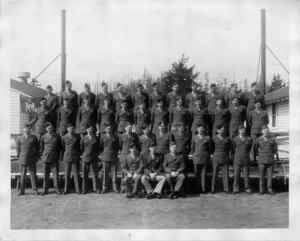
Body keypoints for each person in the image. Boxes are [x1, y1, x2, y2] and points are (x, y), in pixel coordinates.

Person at [254, 125, 279, 195]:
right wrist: (259, 155)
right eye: (264, 131)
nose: (265, 132)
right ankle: (261, 189)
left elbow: (275, 150)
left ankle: (269, 189)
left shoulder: (272, 139)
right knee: (261, 175)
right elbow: (255, 149)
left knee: (270, 175)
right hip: (261, 159)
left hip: (270, 159)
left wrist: (270, 154)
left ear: (268, 131)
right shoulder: (258, 139)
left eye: (267, 131)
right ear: (262, 131)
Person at [16, 124, 40, 196]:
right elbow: (18, 150)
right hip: (23, 158)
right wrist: (20, 157)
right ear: (23, 129)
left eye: (28, 129)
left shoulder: (34, 138)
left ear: (30, 130)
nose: (27, 130)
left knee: (33, 175)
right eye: (25, 129)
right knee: (22, 175)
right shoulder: (19, 138)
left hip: (31, 158)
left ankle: (35, 190)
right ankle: (22, 190)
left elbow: (37, 148)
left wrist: (36, 156)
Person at [39, 122, 62, 196]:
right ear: (46, 129)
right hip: (46, 157)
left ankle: (57, 189)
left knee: (56, 174)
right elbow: (41, 147)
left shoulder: (57, 136)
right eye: (48, 128)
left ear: (53, 128)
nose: (50, 129)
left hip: (54, 157)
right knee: (46, 174)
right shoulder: (43, 136)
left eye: (51, 128)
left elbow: (60, 146)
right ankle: (45, 189)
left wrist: (58, 155)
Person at [190, 123, 211, 194]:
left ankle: (203, 189)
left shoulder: (207, 138)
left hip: (204, 157)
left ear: (204, 129)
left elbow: (210, 148)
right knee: (197, 174)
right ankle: (197, 188)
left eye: (201, 128)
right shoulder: (194, 137)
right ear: (197, 129)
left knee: (204, 174)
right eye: (199, 128)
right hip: (197, 158)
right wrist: (195, 154)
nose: (200, 130)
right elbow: (192, 148)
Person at [232, 125, 253, 195]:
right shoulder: (235, 139)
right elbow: (234, 148)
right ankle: (235, 188)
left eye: (243, 130)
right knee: (236, 175)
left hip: (246, 159)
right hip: (237, 159)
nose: (242, 132)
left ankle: (247, 188)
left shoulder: (249, 139)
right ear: (238, 131)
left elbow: (250, 148)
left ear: (245, 131)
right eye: (241, 130)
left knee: (246, 175)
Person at [118, 123, 140, 193]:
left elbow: (136, 144)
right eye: (127, 128)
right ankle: (123, 188)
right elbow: (120, 145)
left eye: (130, 128)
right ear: (125, 128)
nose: (129, 129)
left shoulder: (134, 135)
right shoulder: (121, 136)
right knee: (124, 173)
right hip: (124, 155)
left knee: (132, 173)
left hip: (132, 155)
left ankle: (130, 188)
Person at [211, 124, 232, 194]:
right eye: (220, 130)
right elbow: (211, 148)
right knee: (214, 174)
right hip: (216, 157)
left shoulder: (228, 138)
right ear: (217, 130)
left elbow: (229, 148)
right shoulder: (214, 138)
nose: (221, 132)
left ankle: (226, 189)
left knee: (225, 174)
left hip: (224, 157)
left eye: (222, 130)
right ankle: (213, 188)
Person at [100, 124, 120, 194]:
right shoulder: (102, 137)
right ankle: (104, 188)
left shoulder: (115, 137)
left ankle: (115, 188)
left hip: (113, 156)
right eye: (107, 129)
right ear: (105, 130)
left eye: (110, 129)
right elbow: (101, 146)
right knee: (105, 174)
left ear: (111, 129)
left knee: (114, 174)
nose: (109, 130)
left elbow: (117, 146)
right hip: (105, 156)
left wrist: (114, 153)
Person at [80, 125, 101, 194]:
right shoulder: (83, 138)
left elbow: (98, 147)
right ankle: (84, 189)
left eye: (91, 129)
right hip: (85, 157)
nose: (90, 131)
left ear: (93, 130)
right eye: (89, 130)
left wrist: (96, 155)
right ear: (86, 130)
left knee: (95, 174)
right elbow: (81, 148)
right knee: (85, 174)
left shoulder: (96, 138)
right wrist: (84, 154)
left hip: (94, 157)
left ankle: (96, 188)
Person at [61, 124, 81, 195]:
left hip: (75, 156)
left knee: (76, 174)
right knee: (67, 174)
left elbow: (79, 147)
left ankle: (78, 189)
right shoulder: (64, 137)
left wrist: (78, 155)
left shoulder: (77, 136)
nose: (71, 130)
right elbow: (63, 147)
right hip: (67, 156)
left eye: (72, 128)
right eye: (69, 128)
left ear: (74, 129)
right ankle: (66, 189)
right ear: (67, 129)